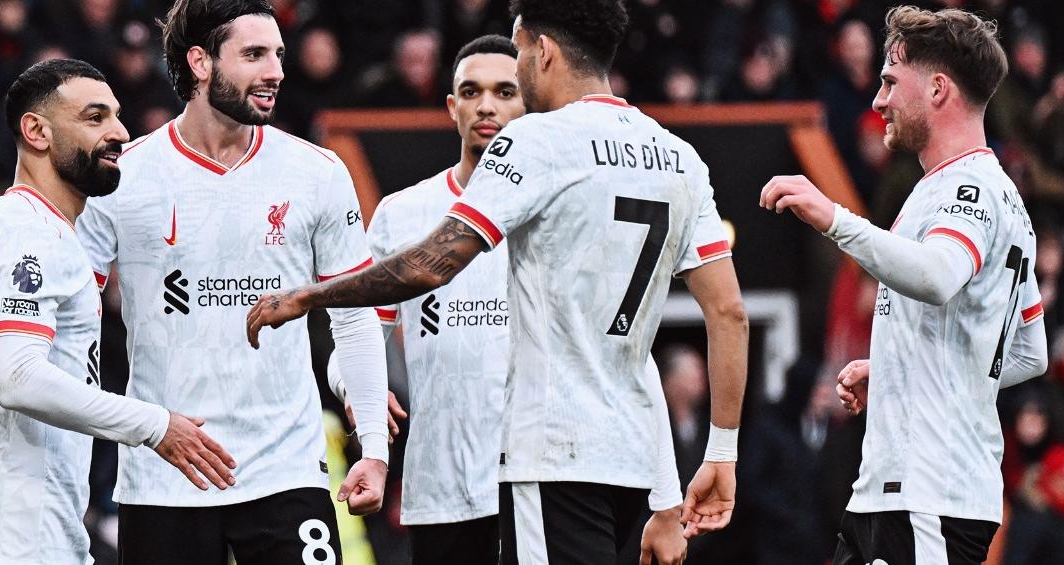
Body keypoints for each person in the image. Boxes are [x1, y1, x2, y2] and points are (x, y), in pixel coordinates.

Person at [247, 1, 750, 563]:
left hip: (551, 454)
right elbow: (728, 313)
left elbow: (429, 264)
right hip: (622, 460)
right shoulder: (680, 156)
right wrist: (720, 451)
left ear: (542, 51)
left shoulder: (537, 143)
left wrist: (309, 295)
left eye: (516, 63)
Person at [74, 2, 391, 564]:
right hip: (164, 473)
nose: (276, 71)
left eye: (278, 55)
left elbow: (354, 312)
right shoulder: (125, 176)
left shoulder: (316, 172)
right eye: (253, 55)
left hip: (284, 470)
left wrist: (373, 446)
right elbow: (72, 322)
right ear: (200, 62)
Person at [0, 58, 233, 565]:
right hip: (16, 540)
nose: (119, 132)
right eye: (95, 118)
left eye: (116, 116)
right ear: (37, 131)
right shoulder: (29, 236)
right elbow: (18, 378)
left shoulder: (3, 229)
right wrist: (155, 426)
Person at [758, 6, 1049, 564]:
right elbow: (1027, 352)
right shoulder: (986, 193)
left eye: (891, 82)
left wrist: (834, 218)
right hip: (900, 495)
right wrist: (898, 368)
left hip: (927, 497)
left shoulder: (967, 190)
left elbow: (938, 275)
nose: (878, 100)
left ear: (938, 89)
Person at [328, 34, 522, 565]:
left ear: (529, 103)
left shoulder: (551, 212)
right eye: (472, 91)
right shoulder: (403, 212)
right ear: (451, 107)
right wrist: (356, 388)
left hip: (532, 484)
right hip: (439, 491)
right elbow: (355, 335)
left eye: (506, 91)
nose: (487, 105)